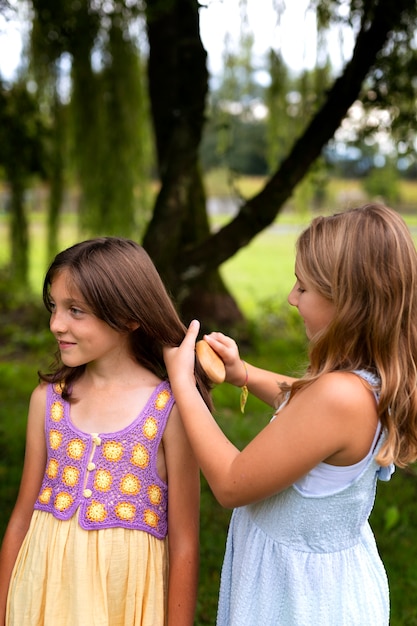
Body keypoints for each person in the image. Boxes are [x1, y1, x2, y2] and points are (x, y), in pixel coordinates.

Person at [163, 203, 417, 625]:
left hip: (298, 603)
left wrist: (184, 388)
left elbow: (230, 483)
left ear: (347, 302)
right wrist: (244, 374)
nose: (290, 298)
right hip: (329, 588)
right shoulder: (366, 383)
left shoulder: (339, 396)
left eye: (303, 288)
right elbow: (303, 409)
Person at [0, 237, 212, 626]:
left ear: (129, 317)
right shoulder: (48, 401)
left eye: (75, 310)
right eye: (54, 307)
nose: (56, 324)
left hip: (123, 603)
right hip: (41, 600)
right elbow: (20, 519)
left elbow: (184, 543)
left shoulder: (170, 410)